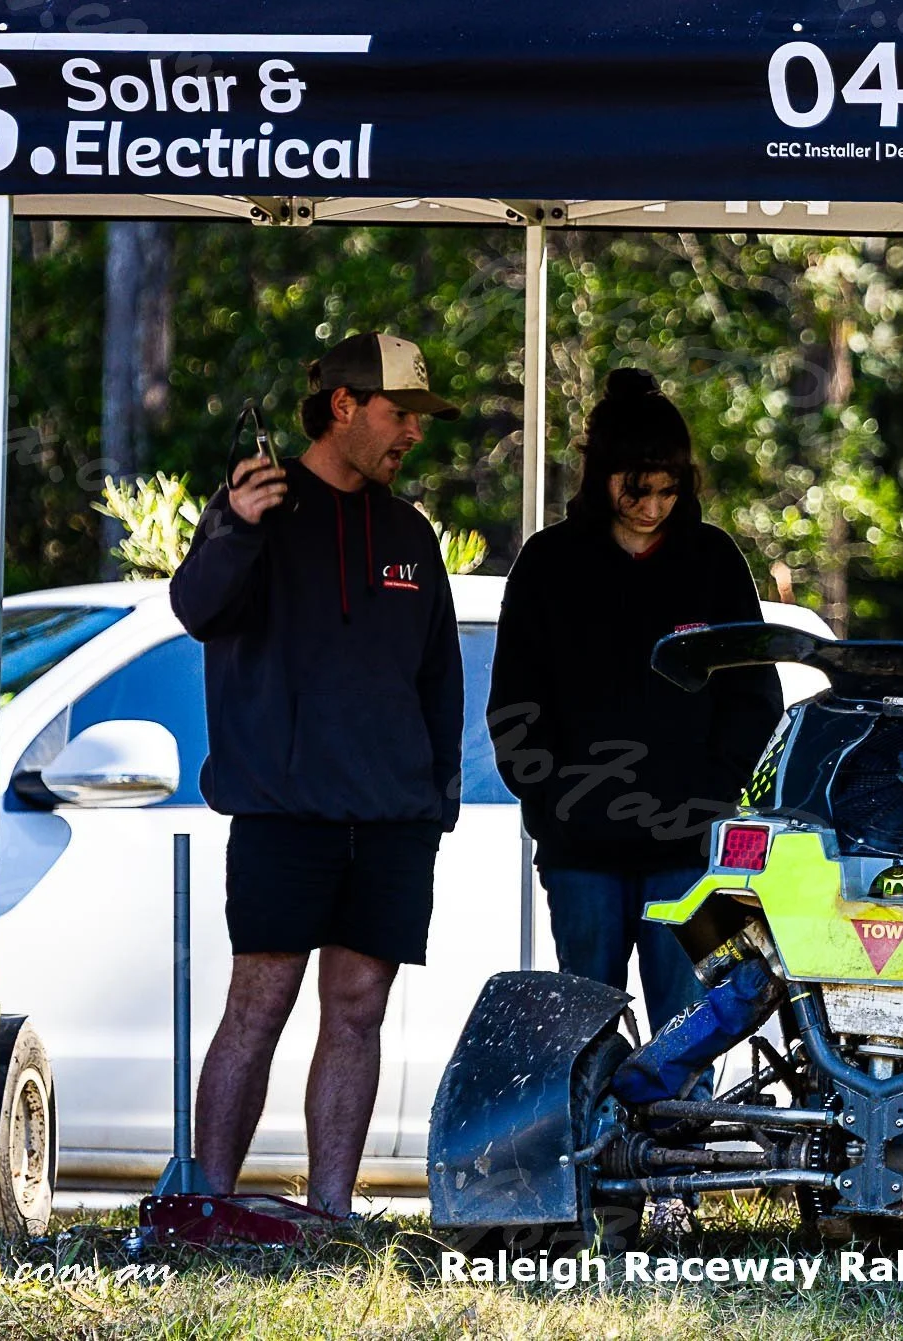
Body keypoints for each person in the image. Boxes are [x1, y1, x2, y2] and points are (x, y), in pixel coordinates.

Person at [169, 331, 464, 1217]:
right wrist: (235, 527)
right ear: (345, 406)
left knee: (359, 1009)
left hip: (391, 820)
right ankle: (209, 1205)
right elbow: (195, 608)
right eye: (400, 413)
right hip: (281, 814)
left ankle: (334, 1211)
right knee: (257, 1005)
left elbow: (440, 680)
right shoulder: (255, 509)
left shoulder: (410, 531)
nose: (413, 432)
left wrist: (434, 799)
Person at [488, 368, 783, 1040]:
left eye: (669, 490)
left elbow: (755, 696)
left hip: (693, 855)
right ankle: (589, 1147)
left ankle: (682, 1145)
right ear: (601, 477)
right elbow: (514, 703)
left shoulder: (713, 561)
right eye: (636, 489)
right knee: (582, 1037)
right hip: (579, 854)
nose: (653, 506)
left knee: (690, 1036)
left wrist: (712, 795)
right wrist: (556, 799)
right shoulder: (547, 565)